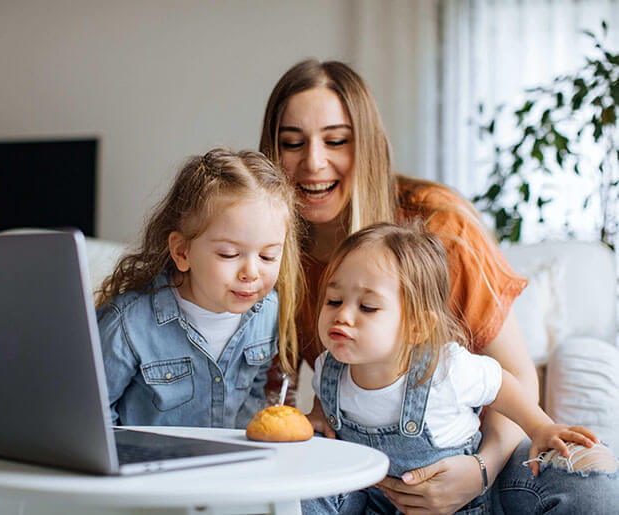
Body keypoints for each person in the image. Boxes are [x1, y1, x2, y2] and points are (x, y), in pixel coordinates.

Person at [259, 59, 618, 513]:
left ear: (367, 145)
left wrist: (479, 471)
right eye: (293, 143)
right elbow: (282, 393)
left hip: (481, 453)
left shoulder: (438, 225)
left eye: (336, 140)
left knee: (593, 485)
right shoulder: (269, 251)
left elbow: (515, 378)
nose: (313, 162)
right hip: (365, 475)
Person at [300, 223, 615, 514]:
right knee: (305, 491)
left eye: (367, 307)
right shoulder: (329, 366)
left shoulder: (445, 368)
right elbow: (327, 404)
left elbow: (500, 383)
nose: (343, 316)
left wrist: (540, 427)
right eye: (334, 301)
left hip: (457, 507)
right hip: (371, 501)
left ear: (417, 327)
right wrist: (315, 418)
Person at [95, 148, 303, 429]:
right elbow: (94, 415)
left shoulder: (268, 312)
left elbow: (255, 395)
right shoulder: (128, 325)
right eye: (229, 254)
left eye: (267, 256)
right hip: (150, 468)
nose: (251, 273)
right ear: (182, 253)